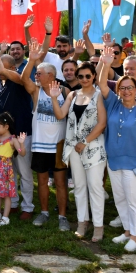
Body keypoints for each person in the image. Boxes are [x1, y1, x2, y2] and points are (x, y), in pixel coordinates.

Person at [98, 47, 136, 252]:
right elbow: (102, 84)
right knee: (120, 199)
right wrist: (105, 63)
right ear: (119, 90)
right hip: (114, 161)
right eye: (123, 88)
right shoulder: (113, 104)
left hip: (134, 164)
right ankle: (128, 231)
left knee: (135, 200)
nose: (126, 91)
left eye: (130, 88)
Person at [49, 62, 107, 241]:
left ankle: (98, 226)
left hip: (94, 147)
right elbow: (60, 115)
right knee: (79, 186)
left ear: (93, 77)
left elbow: (102, 123)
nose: (84, 79)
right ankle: (83, 222)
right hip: (73, 147)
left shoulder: (99, 95)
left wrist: (85, 141)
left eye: (87, 76)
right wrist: (53, 98)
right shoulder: (73, 94)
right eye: (80, 76)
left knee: (95, 187)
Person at [21, 40, 70, 230]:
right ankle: (44, 212)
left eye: (39, 73)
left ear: (51, 75)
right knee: (41, 181)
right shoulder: (37, 91)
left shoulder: (65, 92)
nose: (36, 76)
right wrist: (31, 61)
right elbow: (25, 79)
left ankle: (63, 216)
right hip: (40, 145)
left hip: (58, 145)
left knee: (60, 182)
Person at [0, 55, 34, 218]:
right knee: (10, 172)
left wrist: (4, 71)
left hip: (22, 133)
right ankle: (14, 203)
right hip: (5, 137)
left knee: (24, 172)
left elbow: (21, 79)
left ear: (13, 68)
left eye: (2, 67)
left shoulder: (19, 81)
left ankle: (28, 207)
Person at [0, 113, 27, 227]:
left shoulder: (12, 140)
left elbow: (22, 153)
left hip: (5, 169)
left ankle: (5, 217)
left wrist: (22, 144)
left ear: (6, 126)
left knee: (6, 194)